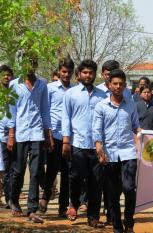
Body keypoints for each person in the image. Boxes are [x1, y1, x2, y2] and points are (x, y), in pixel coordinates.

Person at [93, 69, 140, 233]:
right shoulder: (101, 107)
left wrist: (145, 136)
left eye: (121, 84)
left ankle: (129, 223)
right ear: (109, 85)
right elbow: (97, 131)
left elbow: (136, 127)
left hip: (129, 152)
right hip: (109, 154)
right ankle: (117, 226)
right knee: (112, 193)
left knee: (129, 189)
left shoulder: (131, 104)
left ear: (125, 86)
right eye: (115, 84)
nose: (118, 86)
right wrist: (99, 149)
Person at [7, 56, 54, 223]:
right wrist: (11, 135)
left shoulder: (42, 85)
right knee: (18, 170)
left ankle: (32, 209)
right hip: (19, 133)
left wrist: (48, 133)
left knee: (35, 171)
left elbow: (45, 110)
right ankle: (13, 200)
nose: (30, 66)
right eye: (26, 62)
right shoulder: (14, 84)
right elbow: (11, 111)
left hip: (36, 134)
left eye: (32, 62)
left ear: (36, 64)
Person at [62, 59, 107, 227]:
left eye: (91, 72)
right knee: (75, 177)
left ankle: (93, 216)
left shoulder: (103, 95)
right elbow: (66, 117)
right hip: (77, 143)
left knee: (96, 181)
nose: (88, 75)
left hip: (97, 146)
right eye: (85, 72)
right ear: (79, 74)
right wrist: (66, 140)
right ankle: (73, 203)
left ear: (95, 74)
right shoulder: (71, 94)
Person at [39, 57, 75, 218]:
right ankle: (45, 197)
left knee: (68, 172)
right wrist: (47, 134)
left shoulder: (75, 90)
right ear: (59, 71)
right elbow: (45, 110)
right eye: (63, 71)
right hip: (54, 135)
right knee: (52, 169)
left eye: (69, 72)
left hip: (70, 136)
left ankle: (62, 207)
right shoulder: (50, 88)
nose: (66, 75)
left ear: (73, 73)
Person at [0, 65, 14, 208]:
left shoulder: (15, 92)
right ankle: (9, 198)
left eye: (8, 75)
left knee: (15, 168)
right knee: (6, 169)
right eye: (3, 75)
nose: (6, 77)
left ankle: (12, 197)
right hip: (2, 137)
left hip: (15, 135)